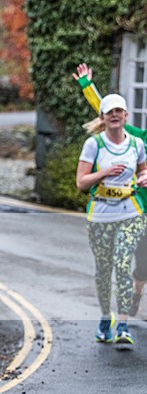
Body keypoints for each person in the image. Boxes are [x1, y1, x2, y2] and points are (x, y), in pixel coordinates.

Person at [74, 63, 147, 316]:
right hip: (137, 209)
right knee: (131, 261)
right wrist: (86, 85)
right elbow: (106, 111)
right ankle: (127, 304)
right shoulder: (138, 138)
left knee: (144, 264)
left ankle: (136, 296)